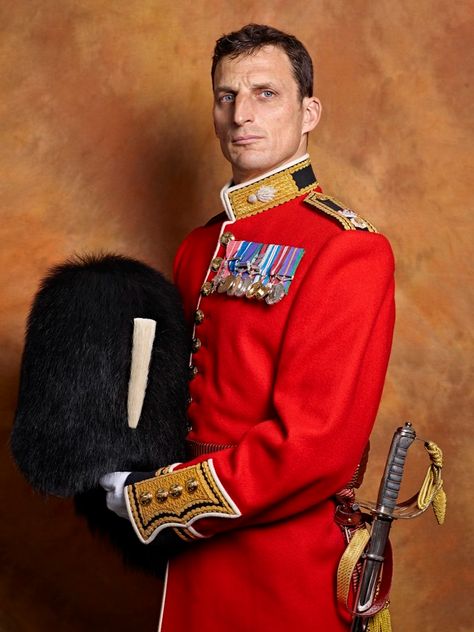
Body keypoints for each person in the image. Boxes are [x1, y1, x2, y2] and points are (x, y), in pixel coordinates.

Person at [101, 24, 395, 631]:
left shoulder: (346, 250)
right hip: (188, 564)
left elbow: (310, 449)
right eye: (226, 96)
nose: (241, 115)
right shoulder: (199, 246)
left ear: (309, 111)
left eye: (266, 93)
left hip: (280, 573)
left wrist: (155, 499)